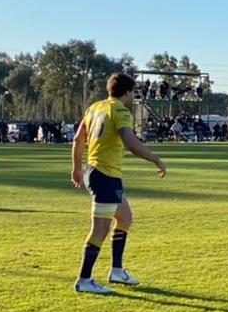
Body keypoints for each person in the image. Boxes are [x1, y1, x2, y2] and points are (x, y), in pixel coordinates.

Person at [70, 72, 168, 295]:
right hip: (105, 174)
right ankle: (84, 279)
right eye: (133, 92)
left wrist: (76, 169)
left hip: (96, 172)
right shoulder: (120, 111)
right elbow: (130, 142)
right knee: (100, 229)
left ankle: (116, 270)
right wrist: (156, 159)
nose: (133, 96)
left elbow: (78, 140)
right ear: (127, 92)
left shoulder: (95, 107)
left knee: (124, 218)